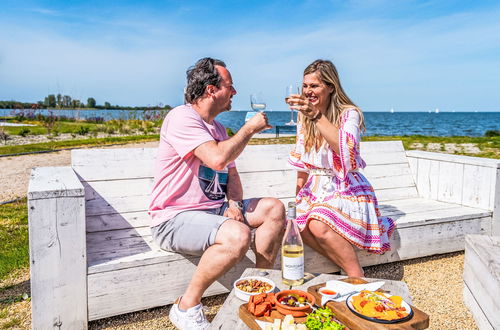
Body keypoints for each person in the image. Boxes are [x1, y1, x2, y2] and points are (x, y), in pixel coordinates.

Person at [149, 57, 285, 329]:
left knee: (275, 209)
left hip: (212, 212)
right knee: (239, 234)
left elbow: (231, 174)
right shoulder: (181, 117)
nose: (234, 92)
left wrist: (234, 203)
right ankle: (186, 306)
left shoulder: (218, 128)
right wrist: (249, 128)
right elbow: (217, 160)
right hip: (174, 219)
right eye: (230, 86)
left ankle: (260, 289)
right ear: (211, 90)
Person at [287, 59, 395, 277]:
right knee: (297, 225)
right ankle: (346, 268)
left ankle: (356, 274)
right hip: (314, 190)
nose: (308, 91)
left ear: (330, 87)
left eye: (314, 86)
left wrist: (316, 116)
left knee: (317, 224)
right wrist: (297, 196)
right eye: (305, 86)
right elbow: (302, 164)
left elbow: (347, 153)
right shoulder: (303, 117)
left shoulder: (349, 114)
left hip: (345, 187)